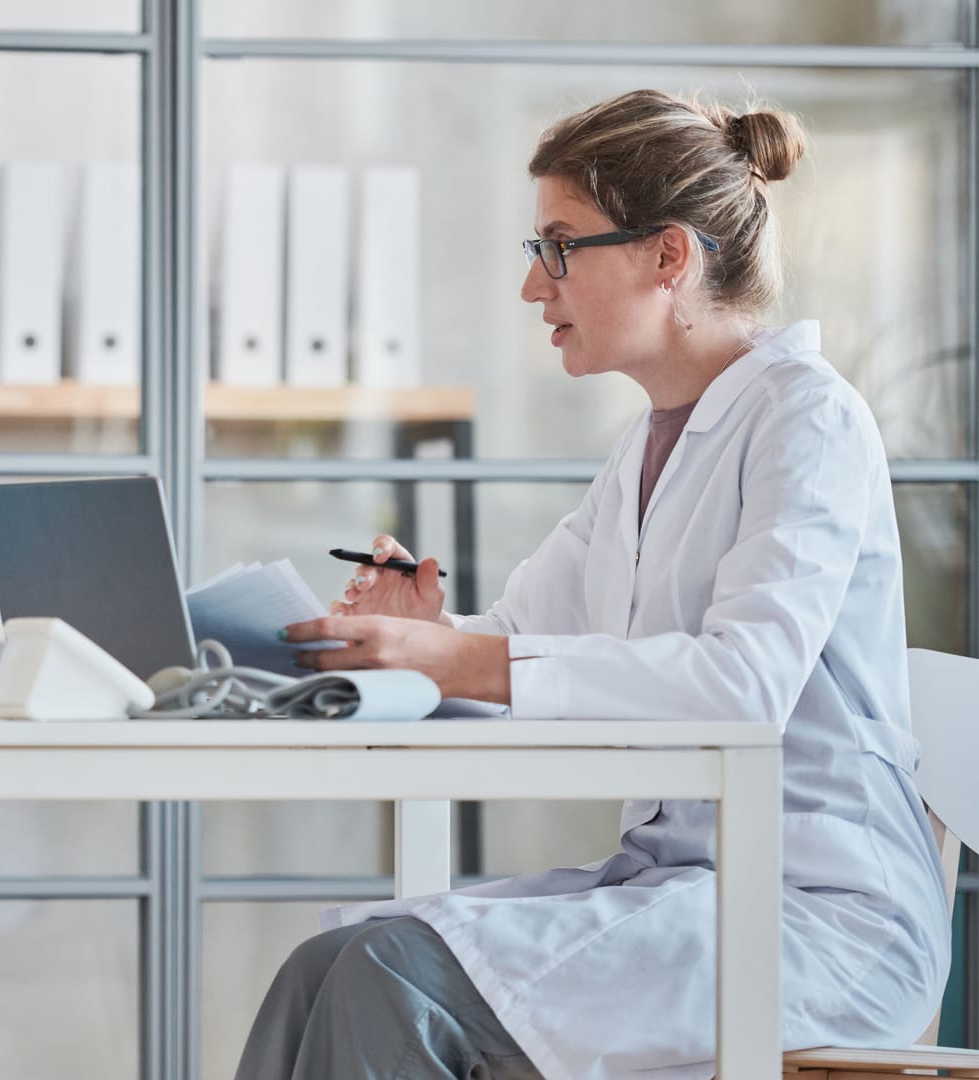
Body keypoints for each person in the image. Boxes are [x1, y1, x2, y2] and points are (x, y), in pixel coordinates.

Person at [238, 89, 951, 1079]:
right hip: (684, 894)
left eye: (560, 247)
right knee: (323, 968)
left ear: (669, 256)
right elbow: (524, 645)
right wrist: (432, 639)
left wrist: (466, 657)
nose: (537, 289)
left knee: (389, 977)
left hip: (821, 920)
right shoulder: (642, 454)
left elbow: (742, 686)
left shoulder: (808, 422)